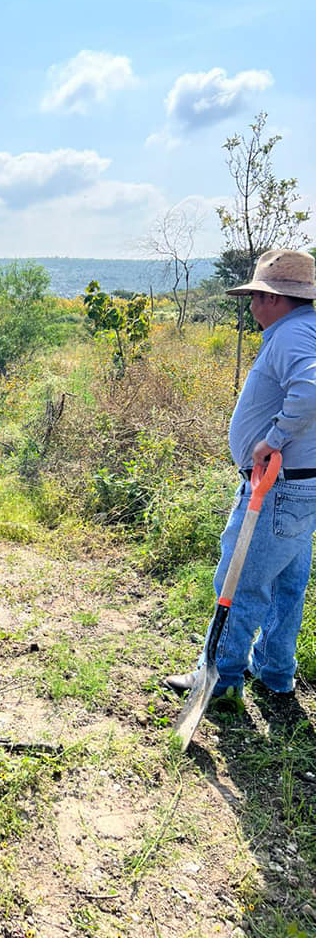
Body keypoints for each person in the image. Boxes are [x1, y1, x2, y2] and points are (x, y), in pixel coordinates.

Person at [165, 249, 316, 701]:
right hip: (300, 485)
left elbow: (310, 389)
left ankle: (220, 675)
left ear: (275, 299)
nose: (251, 306)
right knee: (287, 582)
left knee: (242, 578)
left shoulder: (293, 336)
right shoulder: (305, 330)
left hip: (279, 486)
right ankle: (275, 673)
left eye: (255, 296)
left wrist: (273, 437)